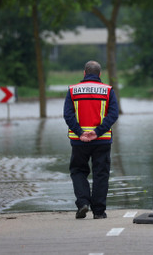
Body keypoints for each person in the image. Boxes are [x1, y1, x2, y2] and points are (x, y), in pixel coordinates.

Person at [63, 60, 119, 219]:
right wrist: (97, 132)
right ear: (100, 74)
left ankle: (83, 203)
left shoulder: (73, 90)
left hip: (79, 141)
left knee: (78, 171)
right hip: (102, 140)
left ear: (84, 73)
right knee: (101, 174)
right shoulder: (108, 90)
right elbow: (113, 115)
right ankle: (99, 212)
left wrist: (80, 132)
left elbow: (68, 115)